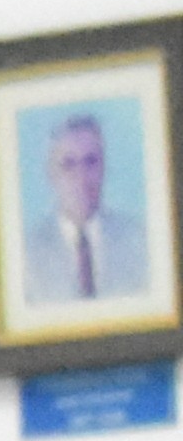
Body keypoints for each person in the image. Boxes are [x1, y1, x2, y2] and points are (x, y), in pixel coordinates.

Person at [26, 107, 156, 314]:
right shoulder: (26, 254)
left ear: (104, 167)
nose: (81, 177)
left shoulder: (141, 241)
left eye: (91, 161)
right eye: (68, 164)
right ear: (51, 173)